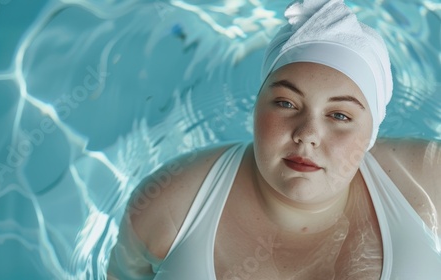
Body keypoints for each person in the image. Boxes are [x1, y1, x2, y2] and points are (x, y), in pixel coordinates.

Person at [107, 0, 441, 279]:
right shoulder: (169, 206)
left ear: (371, 133)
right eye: (286, 103)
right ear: (256, 106)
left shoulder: (427, 179)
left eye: (340, 115)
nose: (307, 135)